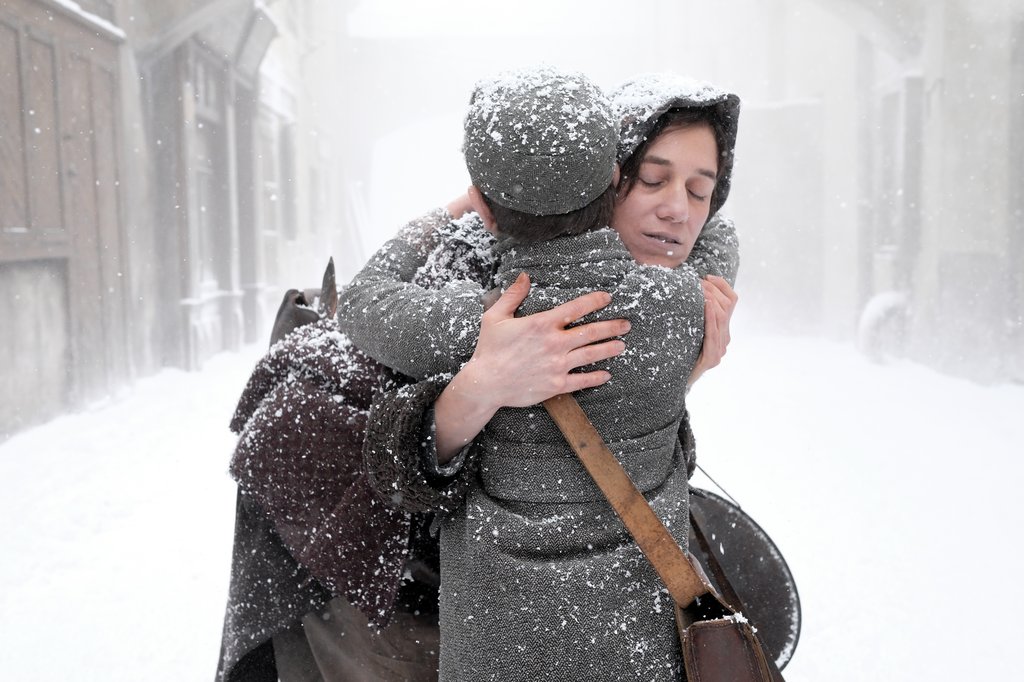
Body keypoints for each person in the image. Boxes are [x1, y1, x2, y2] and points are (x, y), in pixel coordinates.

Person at [215, 70, 738, 681]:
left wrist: (679, 383)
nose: (677, 210)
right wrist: (472, 393)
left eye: (702, 193)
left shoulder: (680, 299)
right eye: (652, 179)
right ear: (609, 177)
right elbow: (371, 460)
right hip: (402, 620)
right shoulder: (464, 270)